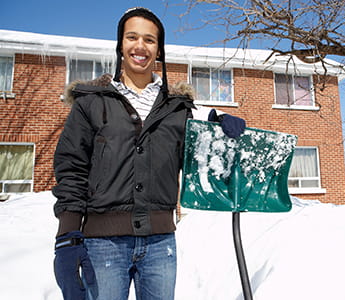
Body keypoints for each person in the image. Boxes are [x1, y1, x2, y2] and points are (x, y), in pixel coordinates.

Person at [52, 7, 245, 300]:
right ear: (120, 45)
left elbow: (200, 138)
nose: (140, 46)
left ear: (159, 50)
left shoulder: (177, 108)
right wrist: (67, 235)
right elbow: (71, 167)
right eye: (132, 37)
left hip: (160, 244)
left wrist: (218, 122)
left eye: (149, 40)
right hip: (103, 244)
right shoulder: (91, 104)